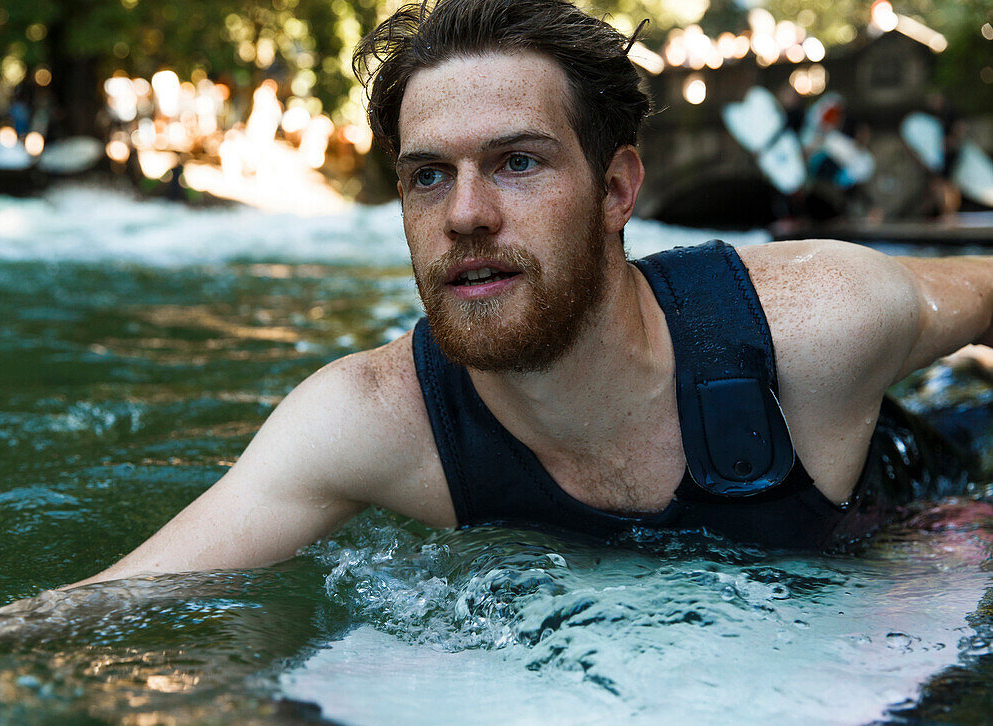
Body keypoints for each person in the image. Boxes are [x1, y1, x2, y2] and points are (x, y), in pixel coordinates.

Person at [72, 0, 993, 587]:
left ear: (618, 189)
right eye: (428, 176)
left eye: (517, 163)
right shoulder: (372, 419)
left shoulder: (819, 321)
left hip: (926, 497)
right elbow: (115, 604)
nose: (465, 215)